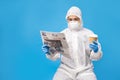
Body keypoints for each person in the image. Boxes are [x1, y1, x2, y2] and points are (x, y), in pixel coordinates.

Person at [42, 6, 103, 80]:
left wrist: (96, 51)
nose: (72, 21)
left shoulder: (89, 34)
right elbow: (55, 56)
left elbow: (96, 57)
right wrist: (49, 52)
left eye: (75, 19)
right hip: (65, 69)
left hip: (85, 70)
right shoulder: (62, 34)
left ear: (80, 19)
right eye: (70, 19)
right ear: (67, 20)